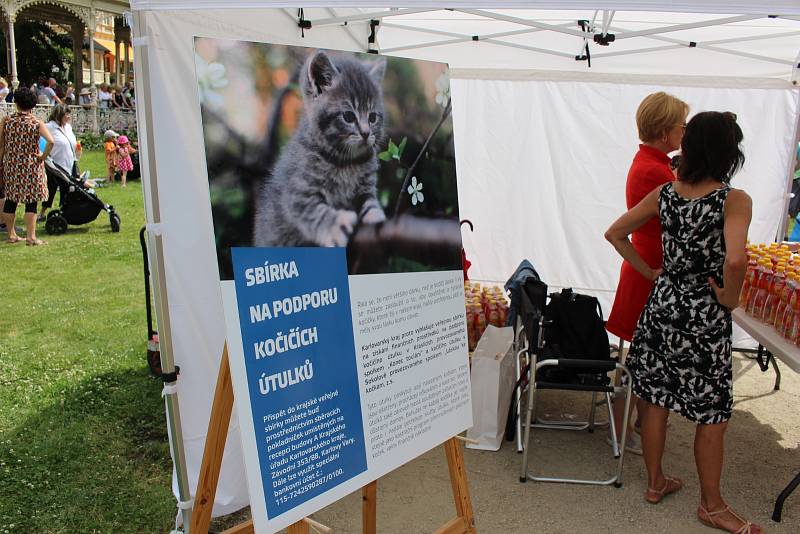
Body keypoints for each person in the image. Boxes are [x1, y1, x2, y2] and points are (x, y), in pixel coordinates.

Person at [605, 111, 759, 533]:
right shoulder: (733, 199)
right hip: (703, 314)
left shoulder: (665, 193)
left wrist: (650, 272)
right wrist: (729, 295)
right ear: (729, 153)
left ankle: (655, 482)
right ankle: (712, 504)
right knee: (712, 411)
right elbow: (736, 257)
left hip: (664, 303)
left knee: (654, 398)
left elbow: (615, 232)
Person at [605, 92, 689, 455]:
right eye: (681, 126)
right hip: (648, 268)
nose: (685, 131)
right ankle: (627, 429)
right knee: (642, 360)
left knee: (640, 357)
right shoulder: (655, 169)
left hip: (645, 264)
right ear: (665, 130)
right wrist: (651, 273)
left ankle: (632, 426)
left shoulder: (652, 161)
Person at [0, 87, 53, 246]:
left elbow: (1, 145)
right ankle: (31, 237)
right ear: (33, 104)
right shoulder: (36, 122)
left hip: (12, 165)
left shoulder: (7, 121)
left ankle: (11, 235)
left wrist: (0, 163)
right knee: (32, 201)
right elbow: (51, 141)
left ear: (16, 103)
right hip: (31, 166)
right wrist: (42, 157)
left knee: (11, 199)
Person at [40, 104, 81, 220]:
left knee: (69, 189)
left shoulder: (68, 127)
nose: (69, 116)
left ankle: (65, 212)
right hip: (55, 164)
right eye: (66, 114)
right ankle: (43, 213)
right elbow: (40, 140)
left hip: (71, 162)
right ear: (59, 115)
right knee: (51, 189)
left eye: (69, 114)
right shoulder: (49, 127)